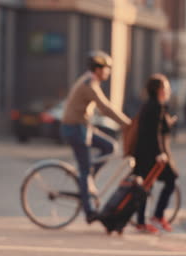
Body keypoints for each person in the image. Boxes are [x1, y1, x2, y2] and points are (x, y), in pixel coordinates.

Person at [60, 50, 131, 224]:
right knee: (84, 171)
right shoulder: (89, 84)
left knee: (110, 147)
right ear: (98, 69)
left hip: (83, 128)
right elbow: (105, 108)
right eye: (107, 68)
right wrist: (128, 124)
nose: (108, 72)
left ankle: (88, 179)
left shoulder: (90, 80)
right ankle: (89, 211)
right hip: (75, 129)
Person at [133, 74, 178, 234]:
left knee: (147, 186)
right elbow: (153, 133)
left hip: (145, 153)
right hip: (153, 155)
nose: (168, 90)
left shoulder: (150, 105)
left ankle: (143, 221)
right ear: (159, 89)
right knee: (168, 180)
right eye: (166, 87)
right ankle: (154, 217)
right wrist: (159, 153)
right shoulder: (156, 106)